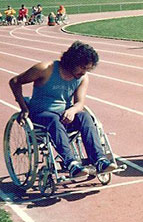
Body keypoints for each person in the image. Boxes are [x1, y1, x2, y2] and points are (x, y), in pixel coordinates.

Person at [8, 41, 118, 177]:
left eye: (87, 69)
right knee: (53, 119)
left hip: (64, 114)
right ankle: (71, 163)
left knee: (84, 116)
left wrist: (72, 110)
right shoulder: (45, 69)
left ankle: (99, 159)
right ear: (72, 61)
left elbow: (79, 103)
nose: (83, 72)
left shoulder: (82, 78)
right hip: (41, 114)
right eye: (82, 67)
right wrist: (23, 108)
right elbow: (14, 81)